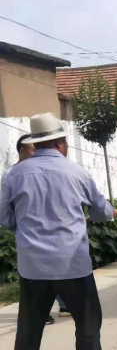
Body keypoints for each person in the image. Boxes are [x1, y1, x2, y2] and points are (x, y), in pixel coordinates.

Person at [0, 112, 117, 350]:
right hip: (73, 266)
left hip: (33, 268)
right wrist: (107, 213)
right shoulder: (76, 173)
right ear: (61, 143)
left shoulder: (14, 175)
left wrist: (25, 226)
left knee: (29, 328)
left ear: (36, 144)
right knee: (88, 325)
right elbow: (101, 212)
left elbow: (4, 218)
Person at [1, 135, 70, 324]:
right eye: (33, 149)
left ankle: (64, 304)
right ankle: (39, 313)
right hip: (28, 233)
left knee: (57, 266)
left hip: (50, 229)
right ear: (22, 151)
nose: (37, 153)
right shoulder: (11, 175)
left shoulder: (42, 169)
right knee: (35, 273)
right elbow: (5, 210)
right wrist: (20, 226)